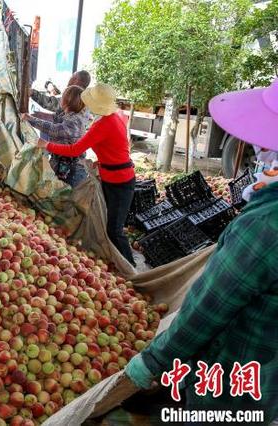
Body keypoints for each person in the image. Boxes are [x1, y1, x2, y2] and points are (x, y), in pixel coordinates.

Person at [125, 78, 278, 422]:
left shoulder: (267, 223)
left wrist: (153, 361)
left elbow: (211, 307)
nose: (261, 152)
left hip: (235, 384)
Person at [35, 83, 136, 266]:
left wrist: (46, 145)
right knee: (106, 222)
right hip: (112, 174)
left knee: (115, 229)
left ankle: (130, 267)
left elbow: (75, 150)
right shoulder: (118, 115)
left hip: (120, 181)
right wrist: (104, 160)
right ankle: (115, 261)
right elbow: (119, 144)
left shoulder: (104, 124)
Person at [21, 85, 88, 187]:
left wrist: (31, 120)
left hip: (72, 171)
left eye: (62, 97)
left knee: (65, 198)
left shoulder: (75, 120)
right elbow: (53, 117)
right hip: (63, 165)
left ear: (66, 101)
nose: (59, 99)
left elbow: (55, 130)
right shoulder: (68, 114)